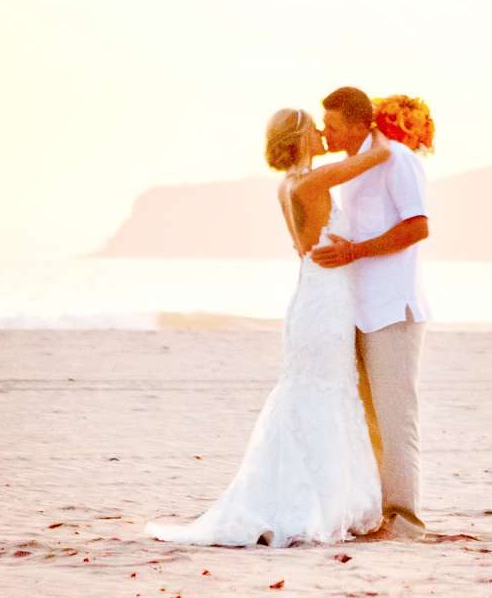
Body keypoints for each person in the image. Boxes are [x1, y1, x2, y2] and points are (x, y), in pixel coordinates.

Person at [144, 108, 391, 547]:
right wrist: (383, 130)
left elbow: (301, 245)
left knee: (314, 393)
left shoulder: (288, 185)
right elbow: (375, 158)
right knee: (325, 394)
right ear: (299, 139)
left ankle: (318, 497)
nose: (321, 132)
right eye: (314, 128)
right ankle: (317, 505)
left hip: (313, 296)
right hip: (325, 302)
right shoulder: (313, 181)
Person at [309, 85, 431, 537]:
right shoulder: (355, 167)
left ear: (361, 124)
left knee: (397, 418)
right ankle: (380, 512)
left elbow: (418, 226)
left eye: (333, 124)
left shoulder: (398, 160)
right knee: (370, 420)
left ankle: (406, 520)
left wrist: (356, 251)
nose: (326, 131)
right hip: (355, 309)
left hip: (392, 309)